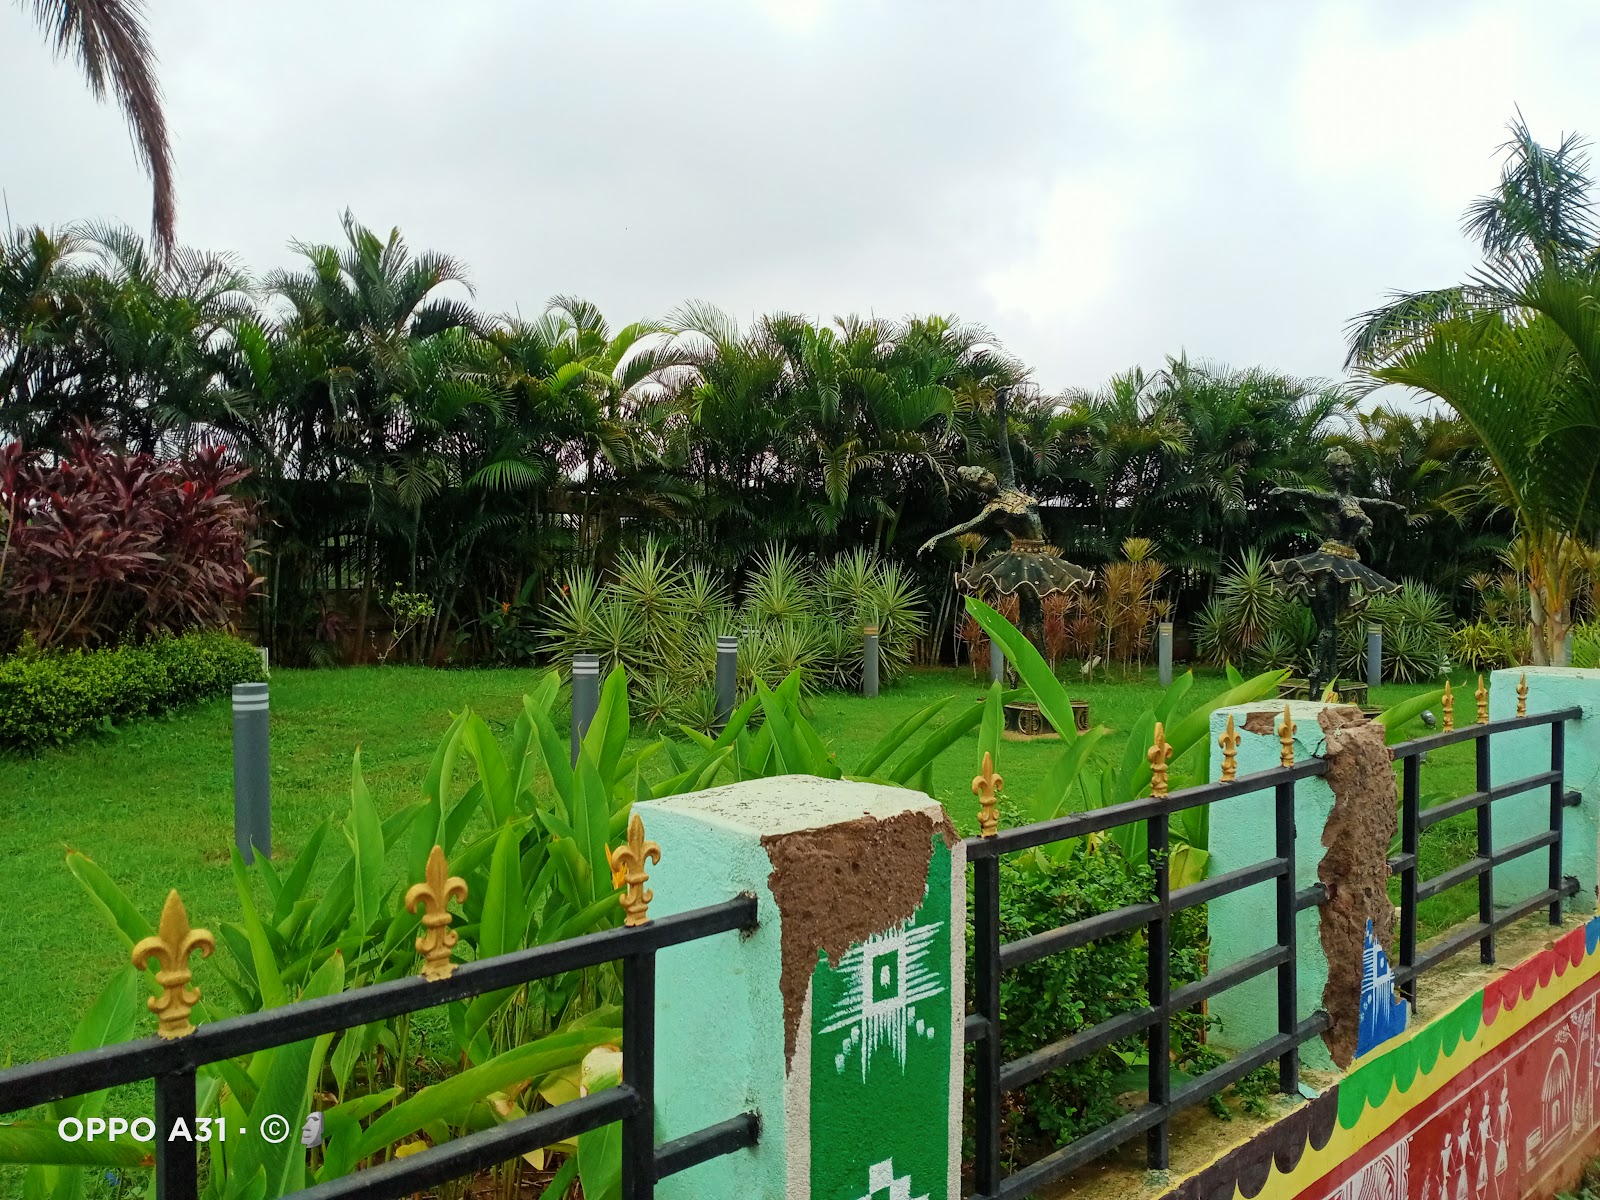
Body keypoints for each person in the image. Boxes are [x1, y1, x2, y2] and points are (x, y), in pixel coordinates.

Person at [919, 386, 1091, 658]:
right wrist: (936, 538)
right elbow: (965, 527)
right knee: (1032, 612)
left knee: (1032, 613)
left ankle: (1021, 665)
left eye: (985, 474)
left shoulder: (1010, 484)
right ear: (979, 489)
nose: (986, 479)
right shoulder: (993, 509)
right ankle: (1034, 663)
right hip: (1022, 561)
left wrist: (1001, 407)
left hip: (1041, 555)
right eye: (980, 481)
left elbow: (1004, 447)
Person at [1269, 447, 1403, 695]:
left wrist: (1393, 507)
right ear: (1330, 471)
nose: (1347, 470)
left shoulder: (1354, 501)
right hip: (1329, 563)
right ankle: (1319, 674)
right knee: (1328, 625)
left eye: (1349, 465)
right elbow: (1310, 495)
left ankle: (1330, 677)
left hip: (1348, 563)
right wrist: (1286, 491)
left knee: (1332, 626)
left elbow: (1374, 503)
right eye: (1340, 467)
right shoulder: (1332, 500)